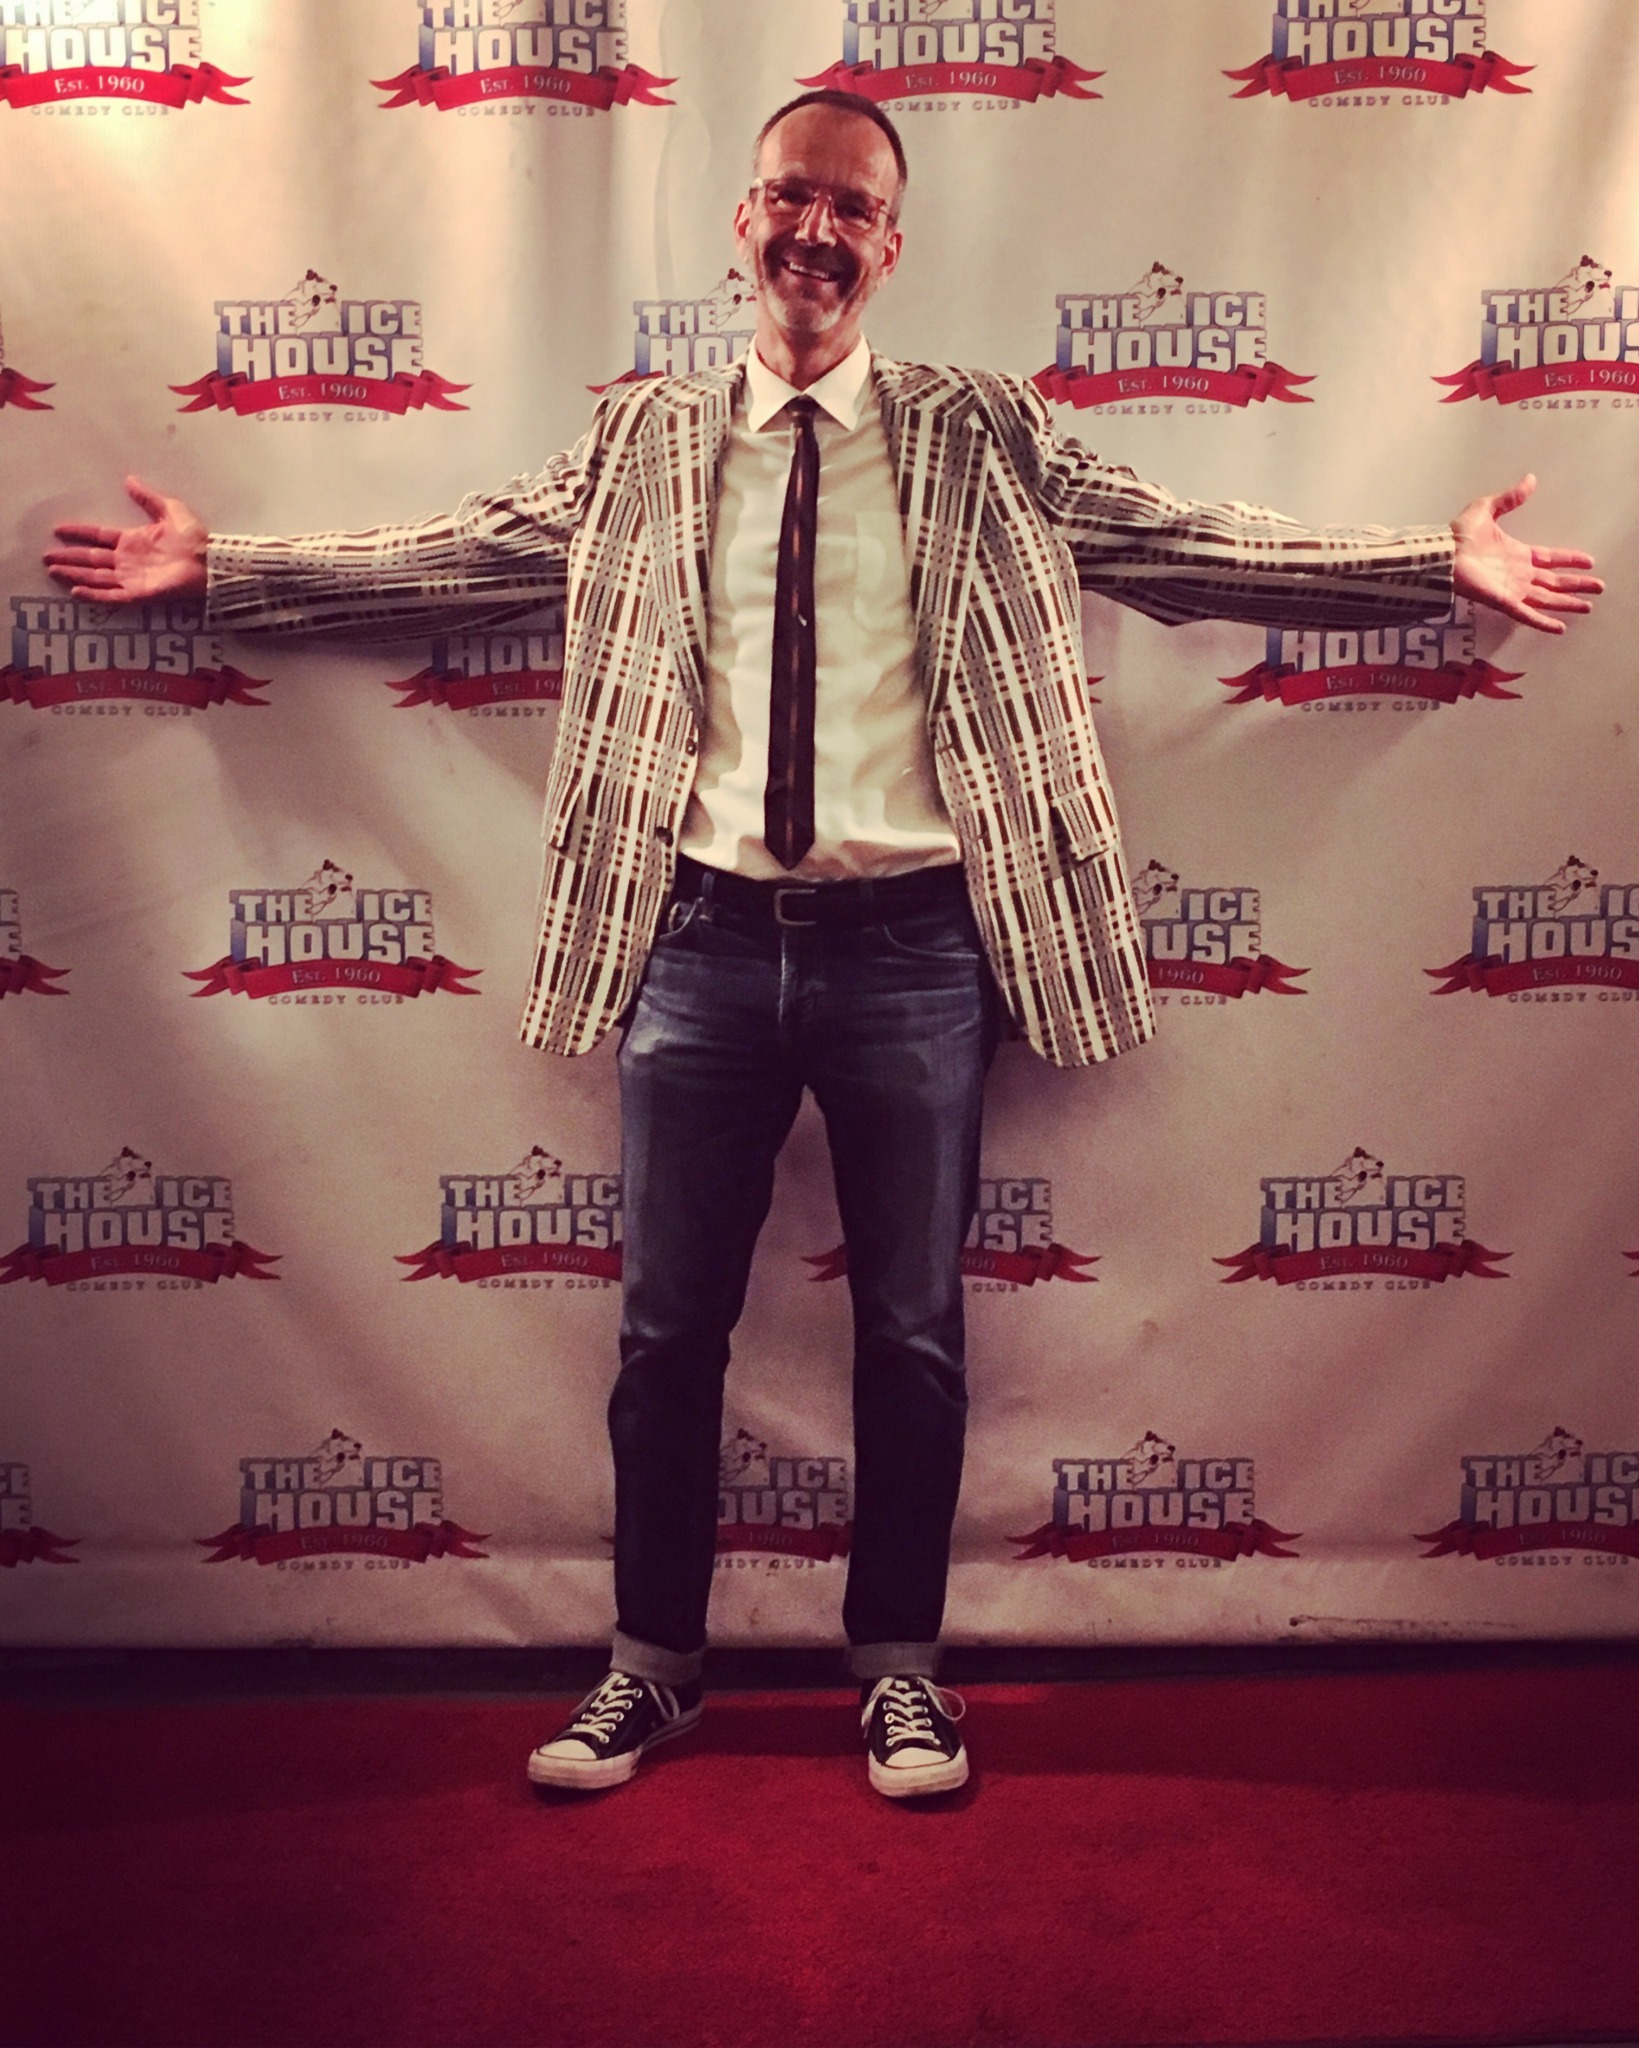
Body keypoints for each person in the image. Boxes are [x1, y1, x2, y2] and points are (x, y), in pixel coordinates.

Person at [46, 91, 1600, 1801]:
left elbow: (1197, 546)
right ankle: (651, 1668)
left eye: (852, 210)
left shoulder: (986, 432)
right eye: (793, 195)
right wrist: (226, 570)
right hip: (698, 941)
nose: (817, 232)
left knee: (914, 1332)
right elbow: (457, 558)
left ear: (891, 247)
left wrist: (1431, 565)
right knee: (666, 1334)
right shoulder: (640, 441)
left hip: (918, 952)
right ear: (743, 218)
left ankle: (901, 1672)